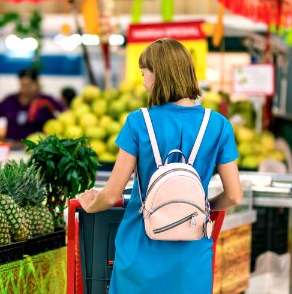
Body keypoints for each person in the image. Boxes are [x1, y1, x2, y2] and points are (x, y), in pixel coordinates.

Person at [77, 38, 243, 294]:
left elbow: (110, 195)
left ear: (159, 75)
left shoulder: (138, 122)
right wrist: (202, 209)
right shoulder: (218, 125)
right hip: (192, 254)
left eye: (144, 73)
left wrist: (91, 204)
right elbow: (234, 195)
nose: (143, 82)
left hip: (140, 252)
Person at [0, 68, 65, 141]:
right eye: (23, 85)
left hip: (39, 148)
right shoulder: (10, 100)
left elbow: (64, 115)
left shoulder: (47, 100)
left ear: (37, 84)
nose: (25, 88)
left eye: (29, 85)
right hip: (12, 146)